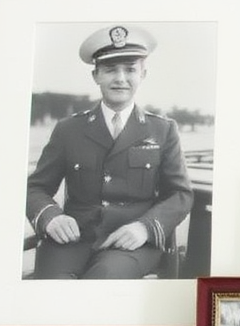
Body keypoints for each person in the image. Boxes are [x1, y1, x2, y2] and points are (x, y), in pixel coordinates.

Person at [26, 24, 194, 280]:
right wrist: (51, 217)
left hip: (132, 242)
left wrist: (145, 228)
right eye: (110, 70)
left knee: (102, 282)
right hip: (72, 239)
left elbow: (180, 194)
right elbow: (35, 187)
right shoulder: (68, 129)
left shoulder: (163, 130)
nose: (120, 78)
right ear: (96, 76)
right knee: (51, 289)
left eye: (130, 70)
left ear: (143, 75)